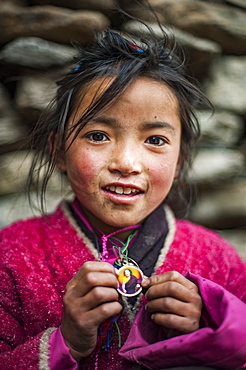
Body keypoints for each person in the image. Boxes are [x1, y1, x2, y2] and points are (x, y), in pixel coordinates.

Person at [0, 25, 245, 370]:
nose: (127, 164)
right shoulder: (11, 255)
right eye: (98, 135)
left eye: (156, 140)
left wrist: (208, 329)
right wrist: (65, 341)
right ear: (58, 152)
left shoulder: (219, 259)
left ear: (180, 159)